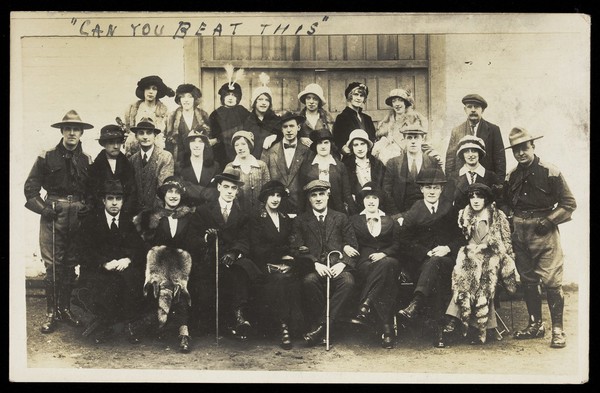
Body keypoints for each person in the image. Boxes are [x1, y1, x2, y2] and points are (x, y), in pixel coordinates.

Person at [503, 127, 577, 349]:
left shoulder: (550, 172)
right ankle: (535, 324)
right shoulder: (512, 175)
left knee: (552, 281)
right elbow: (505, 201)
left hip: (544, 232)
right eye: (516, 150)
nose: (521, 154)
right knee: (527, 280)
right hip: (520, 232)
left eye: (524, 148)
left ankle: (557, 330)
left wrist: (550, 220)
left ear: (533, 146)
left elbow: (569, 204)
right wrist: (509, 217)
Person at [24, 109, 94, 333]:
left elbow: (92, 191)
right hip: (54, 213)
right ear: (62, 131)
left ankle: (65, 309)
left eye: (76, 129)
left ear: (81, 133)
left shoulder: (87, 160)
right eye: (68, 129)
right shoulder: (47, 156)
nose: (72, 133)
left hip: (78, 215)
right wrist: (44, 209)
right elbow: (31, 188)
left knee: (71, 263)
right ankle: (51, 313)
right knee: (53, 265)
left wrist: (88, 208)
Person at [441, 183, 518, 346]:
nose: (475, 200)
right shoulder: (464, 214)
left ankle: (477, 327)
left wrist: (494, 251)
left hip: (492, 256)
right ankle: (456, 321)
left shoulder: (497, 215)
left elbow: (505, 241)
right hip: (470, 255)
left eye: (480, 196)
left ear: (486, 198)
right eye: (472, 196)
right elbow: (460, 239)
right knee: (462, 277)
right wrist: (469, 250)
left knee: (484, 279)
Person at [133, 176, 202, 353]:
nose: (173, 196)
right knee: (161, 284)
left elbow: (193, 242)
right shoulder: (152, 216)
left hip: (181, 264)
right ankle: (156, 323)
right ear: (163, 195)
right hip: (157, 263)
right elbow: (144, 244)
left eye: (177, 192)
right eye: (169, 191)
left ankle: (183, 333)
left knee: (180, 285)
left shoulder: (189, 217)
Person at [396, 167, 463, 348]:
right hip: (422, 263)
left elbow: (461, 237)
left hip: (447, 260)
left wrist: (447, 248)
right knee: (436, 274)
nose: (432, 191)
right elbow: (403, 240)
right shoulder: (415, 210)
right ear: (421, 190)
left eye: (435, 187)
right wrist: (425, 252)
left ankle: (416, 303)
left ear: (441, 189)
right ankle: (439, 332)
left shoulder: (449, 208)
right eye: (428, 187)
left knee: (438, 265)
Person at [75, 180, 148, 344]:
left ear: (122, 201)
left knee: (133, 278)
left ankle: (130, 324)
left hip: (121, 267)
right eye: (110, 198)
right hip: (98, 269)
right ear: (103, 201)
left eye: (118, 199)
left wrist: (128, 259)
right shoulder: (91, 221)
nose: (114, 203)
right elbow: (82, 250)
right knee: (106, 283)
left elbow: (139, 247)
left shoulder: (127, 221)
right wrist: (103, 263)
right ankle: (105, 324)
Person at [195, 167, 263, 341]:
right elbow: (193, 237)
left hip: (231, 260)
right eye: (226, 187)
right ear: (219, 187)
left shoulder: (243, 214)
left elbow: (245, 239)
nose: (230, 192)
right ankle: (218, 324)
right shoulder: (204, 210)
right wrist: (206, 237)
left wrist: (234, 253)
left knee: (240, 271)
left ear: (237, 191)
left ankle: (239, 316)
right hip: (210, 257)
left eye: (233, 188)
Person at [291, 180, 359, 347]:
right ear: (309, 199)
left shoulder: (341, 218)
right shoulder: (301, 220)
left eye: (321, 194)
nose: (318, 198)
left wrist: (342, 263)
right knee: (309, 281)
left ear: (328, 195)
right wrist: (315, 263)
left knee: (348, 281)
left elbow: (353, 246)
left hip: (337, 267)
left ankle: (321, 328)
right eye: (314, 195)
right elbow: (296, 248)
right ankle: (326, 328)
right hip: (315, 269)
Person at [250, 180, 304, 349]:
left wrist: (288, 260)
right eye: (272, 195)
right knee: (279, 281)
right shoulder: (256, 218)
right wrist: (282, 255)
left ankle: (296, 326)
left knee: (295, 279)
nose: (275, 199)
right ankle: (284, 328)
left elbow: (291, 244)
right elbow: (257, 248)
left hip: (285, 265)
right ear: (265, 197)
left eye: (278, 195)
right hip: (264, 266)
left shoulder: (285, 218)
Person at [348, 182, 400, 349]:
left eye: (375, 198)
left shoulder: (390, 220)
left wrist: (384, 254)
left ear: (379, 201)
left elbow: (398, 244)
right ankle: (387, 329)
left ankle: (366, 304)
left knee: (387, 264)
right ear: (363, 200)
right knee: (387, 277)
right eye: (368, 198)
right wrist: (345, 247)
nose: (371, 201)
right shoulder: (354, 220)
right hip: (365, 263)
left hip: (387, 259)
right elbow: (347, 239)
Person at [383, 120, 444, 222]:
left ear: (422, 139)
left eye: (416, 137)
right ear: (404, 140)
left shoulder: (432, 162)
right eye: (409, 137)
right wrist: (397, 216)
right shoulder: (393, 163)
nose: (413, 141)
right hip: (402, 215)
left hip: (427, 215)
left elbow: (442, 189)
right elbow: (386, 192)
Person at [444, 94, 506, 180]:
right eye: (469, 107)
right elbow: (450, 160)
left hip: (486, 181)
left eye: (476, 107)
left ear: (482, 110)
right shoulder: (456, 131)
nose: (473, 110)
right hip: (462, 182)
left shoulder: (493, 130)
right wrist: (450, 182)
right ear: (465, 110)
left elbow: (500, 160)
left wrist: (499, 184)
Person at [261, 111, 312, 216]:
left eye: (292, 126)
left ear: (298, 127)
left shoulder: (307, 151)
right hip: (277, 209)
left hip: (301, 207)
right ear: (281, 129)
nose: (289, 130)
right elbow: (263, 179)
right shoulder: (270, 151)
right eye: (285, 127)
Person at [299, 129, 356, 215]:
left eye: (326, 143)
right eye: (320, 143)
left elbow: (346, 193)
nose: (323, 146)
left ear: (331, 145)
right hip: (313, 210)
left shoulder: (340, 166)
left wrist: (354, 215)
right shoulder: (307, 166)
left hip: (336, 209)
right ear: (315, 146)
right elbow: (302, 194)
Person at [89, 124, 138, 216]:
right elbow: (92, 194)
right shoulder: (95, 168)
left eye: (118, 142)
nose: (116, 146)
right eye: (111, 142)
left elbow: (132, 193)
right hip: (101, 216)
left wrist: (124, 213)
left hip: (124, 215)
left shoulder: (128, 166)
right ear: (104, 144)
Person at [209, 65, 251, 169]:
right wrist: (219, 139)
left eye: (234, 95)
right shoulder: (216, 114)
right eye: (227, 95)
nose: (230, 98)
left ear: (238, 98)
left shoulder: (243, 112)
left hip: (241, 147)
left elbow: (249, 128)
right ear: (223, 97)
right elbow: (214, 134)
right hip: (222, 150)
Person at [128, 118, 175, 211]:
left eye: (149, 133)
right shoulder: (132, 160)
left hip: (158, 213)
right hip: (136, 214)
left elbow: (163, 189)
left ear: (155, 135)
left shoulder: (165, 157)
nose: (145, 137)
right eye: (141, 133)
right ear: (136, 136)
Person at [123, 75, 175, 158]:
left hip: (156, 151)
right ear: (143, 90)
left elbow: (166, 133)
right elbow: (129, 130)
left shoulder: (164, 111)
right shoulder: (132, 109)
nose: (150, 92)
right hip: (135, 150)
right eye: (147, 88)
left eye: (154, 89)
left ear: (158, 92)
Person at [447, 135, 503, 211]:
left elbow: (499, 202)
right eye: (466, 151)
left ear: (479, 153)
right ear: (462, 154)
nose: (470, 155)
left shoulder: (491, 176)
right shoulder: (454, 177)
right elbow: (447, 203)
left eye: (474, 151)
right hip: (459, 220)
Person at [372, 88, 427, 165]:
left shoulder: (414, 120)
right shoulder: (387, 122)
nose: (397, 104)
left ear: (405, 103)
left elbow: (423, 143)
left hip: (407, 159)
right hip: (387, 162)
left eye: (400, 100)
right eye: (394, 101)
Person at [165, 83, 211, 171]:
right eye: (183, 97)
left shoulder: (203, 115)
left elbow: (208, 139)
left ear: (195, 99)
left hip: (199, 157)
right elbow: (168, 140)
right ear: (179, 99)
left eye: (190, 97)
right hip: (179, 159)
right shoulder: (172, 116)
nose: (186, 100)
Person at [224, 130, 271, 215]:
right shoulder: (230, 166)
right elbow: (226, 193)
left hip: (259, 213)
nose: (240, 148)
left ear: (249, 145)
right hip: (237, 214)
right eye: (236, 145)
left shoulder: (261, 165)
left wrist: (262, 209)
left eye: (243, 144)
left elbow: (267, 191)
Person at [341, 129, 388, 212]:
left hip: (377, 206)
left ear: (367, 146)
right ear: (352, 147)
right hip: (356, 208)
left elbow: (384, 188)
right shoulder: (346, 166)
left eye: (362, 144)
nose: (360, 148)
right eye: (356, 145)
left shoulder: (378, 164)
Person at [332, 82, 377, 157]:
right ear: (350, 96)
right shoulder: (342, 118)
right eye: (356, 94)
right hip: (351, 157)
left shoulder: (367, 118)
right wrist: (343, 148)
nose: (359, 98)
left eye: (361, 95)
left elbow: (372, 137)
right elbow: (337, 140)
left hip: (367, 156)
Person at [177, 130, 220, 208]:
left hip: (208, 212)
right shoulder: (179, 167)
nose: (197, 145)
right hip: (186, 211)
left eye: (200, 142)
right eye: (193, 141)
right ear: (188, 145)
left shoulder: (215, 166)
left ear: (205, 145)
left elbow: (216, 192)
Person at [243, 72, 281, 159]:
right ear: (254, 102)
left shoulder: (276, 120)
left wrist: (276, 136)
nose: (264, 103)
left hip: (271, 161)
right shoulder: (248, 120)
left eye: (267, 100)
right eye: (260, 99)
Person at [297, 83, 335, 148]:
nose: (311, 102)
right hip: (304, 153)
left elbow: (332, 138)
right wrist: (300, 139)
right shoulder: (299, 118)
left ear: (319, 101)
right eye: (308, 98)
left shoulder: (327, 117)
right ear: (305, 100)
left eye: (315, 99)